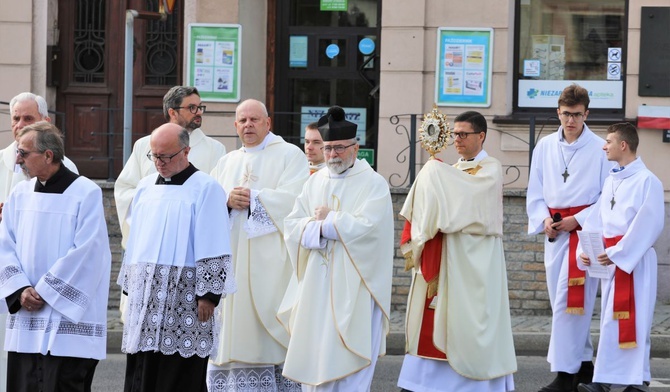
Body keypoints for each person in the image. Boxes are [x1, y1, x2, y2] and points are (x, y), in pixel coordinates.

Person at [397, 111, 517, 391]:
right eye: (454, 134)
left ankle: (475, 384)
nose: (457, 140)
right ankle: (422, 381)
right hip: (447, 257)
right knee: (436, 316)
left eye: (464, 134)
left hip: (475, 261)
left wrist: (434, 171)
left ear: (481, 136)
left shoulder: (491, 169)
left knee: (472, 320)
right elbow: (437, 202)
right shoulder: (452, 170)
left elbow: (468, 201)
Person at [280, 106, 393, 390]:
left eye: (339, 148)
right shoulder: (314, 181)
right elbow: (292, 225)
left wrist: (330, 220)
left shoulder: (374, 184)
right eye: (328, 148)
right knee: (317, 352)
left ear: (355, 148)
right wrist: (319, 228)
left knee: (349, 358)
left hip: (355, 284)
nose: (332, 155)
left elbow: (371, 229)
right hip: (316, 287)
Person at [118, 123, 236, 392]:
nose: (158, 162)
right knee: (142, 365)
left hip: (184, 297)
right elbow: (136, 238)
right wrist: (131, 284)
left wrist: (208, 294)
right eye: (154, 156)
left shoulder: (205, 188)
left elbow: (214, 239)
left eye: (165, 156)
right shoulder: (145, 187)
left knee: (178, 373)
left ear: (186, 151)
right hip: (146, 294)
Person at [0, 121, 111, 392]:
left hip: (67, 323)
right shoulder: (20, 194)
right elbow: (5, 245)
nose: (18, 160)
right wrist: (20, 289)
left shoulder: (86, 192)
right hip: (26, 316)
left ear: (48, 155)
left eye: (24, 153)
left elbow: (88, 251)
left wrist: (44, 292)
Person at [207, 99, 309, 391]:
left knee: (269, 331)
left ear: (268, 123)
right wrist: (226, 200)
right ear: (235, 125)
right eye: (242, 120)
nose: (248, 125)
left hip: (270, 265)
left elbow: (297, 200)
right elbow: (210, 201)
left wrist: (256, 198)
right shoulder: (226, 161)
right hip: (233, 259)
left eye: (254, 119)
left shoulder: (290, 155)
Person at [526, 83, 611, 392]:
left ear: (586, 113)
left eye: (577, 114)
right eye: (565, 114)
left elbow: (608, 196)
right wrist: (543, 219)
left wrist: (580, 219)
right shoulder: (545, 146)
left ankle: (564, 375)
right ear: (557, 112)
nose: (571, 121)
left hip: (584, 235)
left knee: (569, 305)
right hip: (556, 233)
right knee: (562, 303)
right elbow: (535, 191)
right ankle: (585, 365)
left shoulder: (600, 149)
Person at [576, 123, 664, 392]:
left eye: (609, 141)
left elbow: (649, 225)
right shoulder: (612, 179)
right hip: (612, 261)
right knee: (610, 322)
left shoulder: (648, 181)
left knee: (634, 322)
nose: (604, 146)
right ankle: (606, 379)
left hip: (633, 263)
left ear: (623, 145)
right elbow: (597, 220)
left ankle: (634, 381)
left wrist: (617, 253)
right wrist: (587, 250)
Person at [114, 85, 226, 249]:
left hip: (190, 240)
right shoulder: (144, 145)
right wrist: (154, 207)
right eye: (192, 108)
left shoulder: (215, 149)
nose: (199, 112)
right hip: (151, 237)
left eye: (200, 107)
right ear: (173, 112)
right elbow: (125, 189)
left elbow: (218, 195)